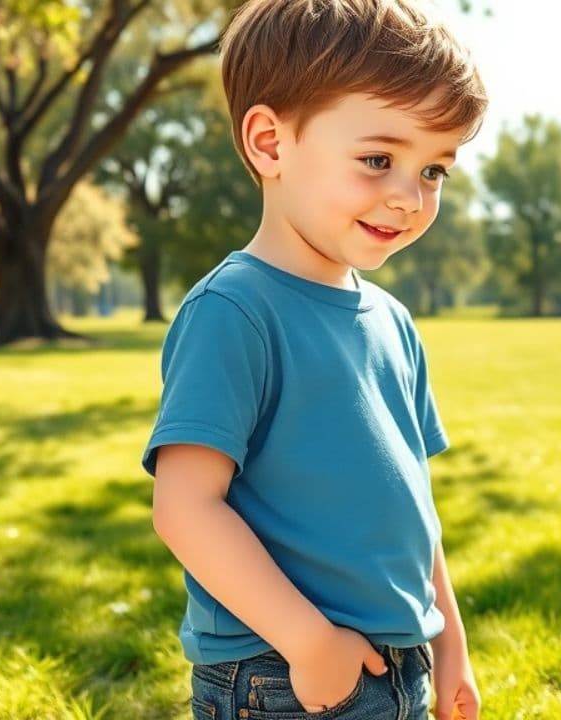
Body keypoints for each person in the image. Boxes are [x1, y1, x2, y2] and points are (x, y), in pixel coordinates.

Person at [141, 1, 487, 718]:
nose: (409, 197)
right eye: (378, 160)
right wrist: (308, 642)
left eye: (434, 172)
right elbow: (185, 507)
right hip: (281, 673)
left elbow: (413, 507)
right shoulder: (235, 311)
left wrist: (450, 641)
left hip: (400, 663)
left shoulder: (392, 321)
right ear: (271, 143)